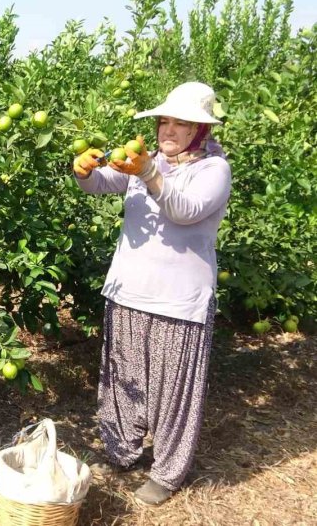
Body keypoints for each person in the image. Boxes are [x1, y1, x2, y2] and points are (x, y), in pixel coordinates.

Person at [71, 82, 231, 506]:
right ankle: (122, 450)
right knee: (124, 380)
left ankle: (166, 473)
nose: (169, 130)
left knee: (172, 392)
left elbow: (185, 210)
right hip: (128, 290)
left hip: (179, 300)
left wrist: (147, 172)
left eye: (182, 123)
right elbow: (103, 184)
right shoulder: (149, 161)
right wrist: (83, 171)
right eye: (165, 121)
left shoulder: (212, 170)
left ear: (201, 131)